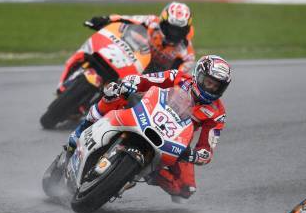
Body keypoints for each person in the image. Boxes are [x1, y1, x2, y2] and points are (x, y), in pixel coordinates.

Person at [67, 55, 231, 202]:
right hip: (146, 113)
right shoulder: (178, 77)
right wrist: (130, 83)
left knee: (186, 189)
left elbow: (207, 149)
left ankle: (148, 172)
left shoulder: (217, 113)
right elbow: (146, 80)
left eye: (216, 86)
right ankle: (82, 130)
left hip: (173, 139)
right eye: (208, 81)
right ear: (198, 75)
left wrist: (196, 155)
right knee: (114, 93)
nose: (210, 88)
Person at [79, 1, 196, 75]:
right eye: (171, 28)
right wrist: (105, 19)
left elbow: (175, 78)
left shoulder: (187, 55)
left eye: (178, 30)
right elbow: (126, 19)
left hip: (152, 79)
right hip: (132, 59)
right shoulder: (151, 22)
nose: (174, 33)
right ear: (162, 22)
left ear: (186, 30)